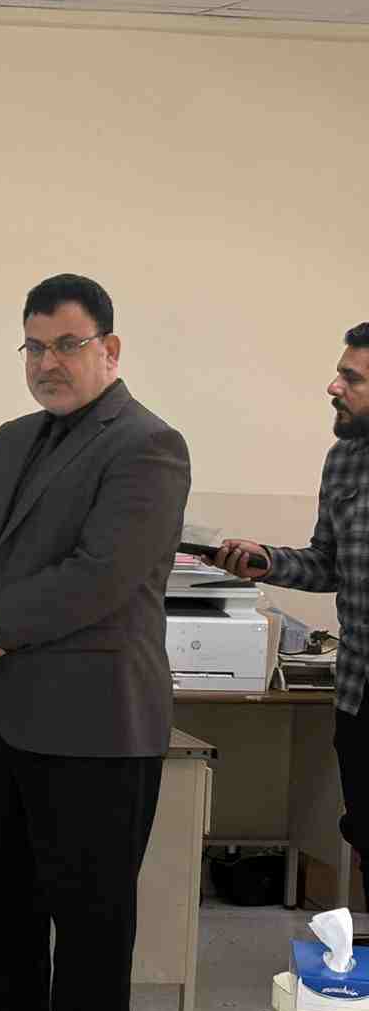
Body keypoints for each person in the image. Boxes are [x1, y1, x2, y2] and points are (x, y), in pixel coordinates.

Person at [0, 274, 191, 1011]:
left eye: (67, 345)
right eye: (34, 347)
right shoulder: (11, 439)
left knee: (89, 922)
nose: (48, 363)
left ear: (111, 349)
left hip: (95, 723)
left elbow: (99, 576)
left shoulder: (147, 444)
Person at [209, 322, 369, 905]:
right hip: (359, 692)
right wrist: (267, 562)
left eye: (351, 377)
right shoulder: (344, 461)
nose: (333, 387)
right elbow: (328, 563)